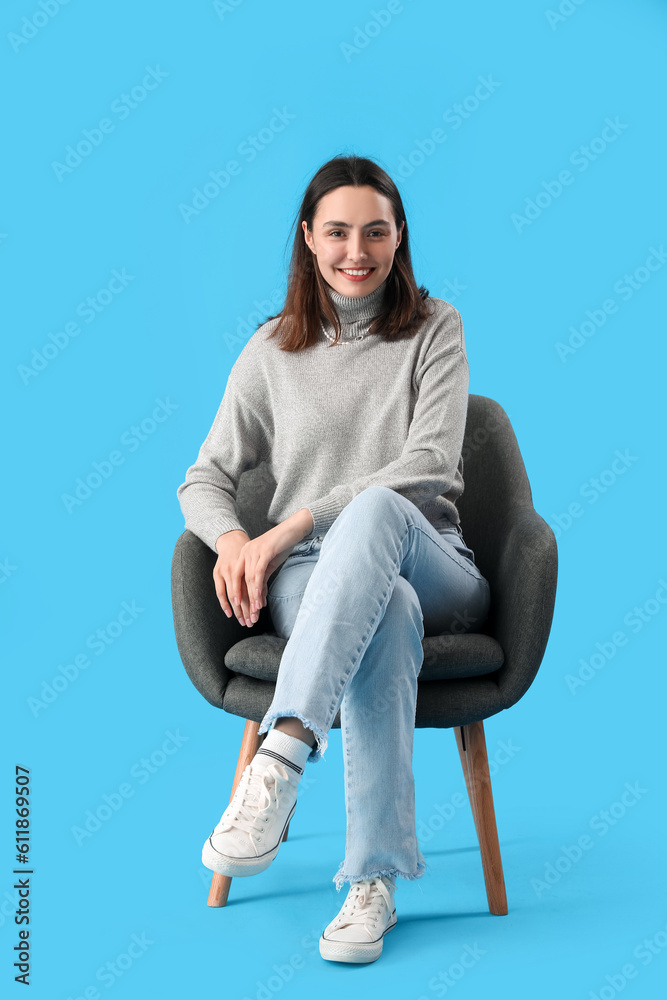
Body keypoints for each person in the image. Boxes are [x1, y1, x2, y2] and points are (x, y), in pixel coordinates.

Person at [176, 154, 491, 965]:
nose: (358, 250)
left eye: (376, 231)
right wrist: (238, 540)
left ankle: (280, 758)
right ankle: (372, 884)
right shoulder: (270, 351)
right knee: (380, 610)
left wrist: (293, 524)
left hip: (431, 555)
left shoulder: (435, 327)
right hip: (321, 584)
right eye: (339, 231)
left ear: (398, 239)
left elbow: (429, 463)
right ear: (308, 240)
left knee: (381, 514)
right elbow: (203, 479)